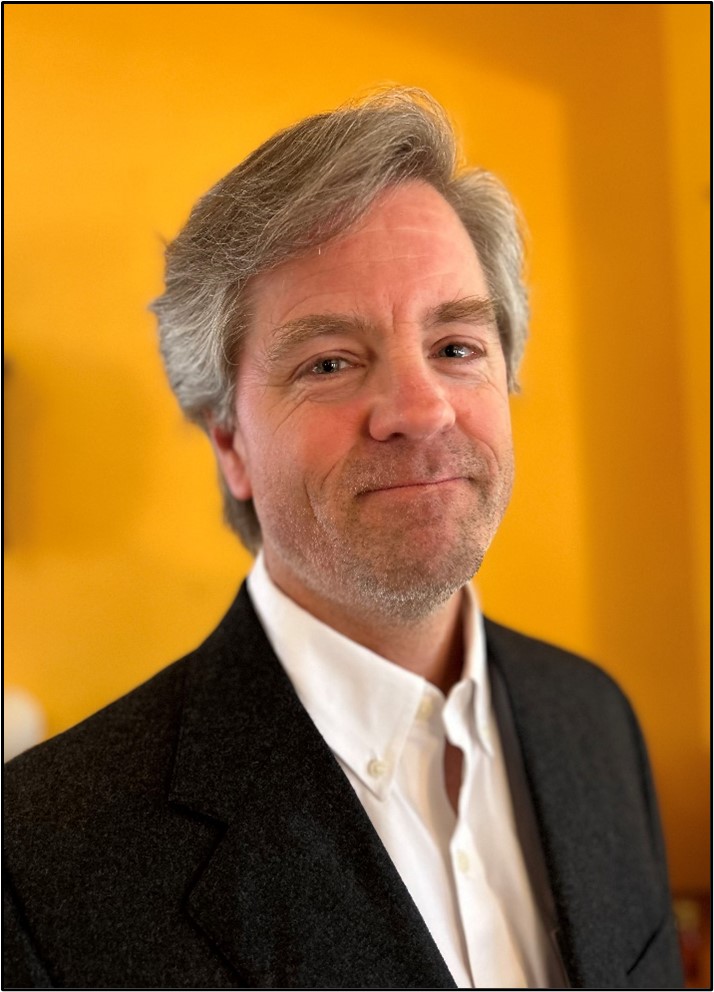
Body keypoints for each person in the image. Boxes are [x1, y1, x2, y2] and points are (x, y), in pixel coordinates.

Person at [3, 88, 683, 990]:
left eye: (456, 346)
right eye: (330, 361)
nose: (420, 408)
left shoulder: (596, 720)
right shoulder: (42, 856)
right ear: (230, 442)